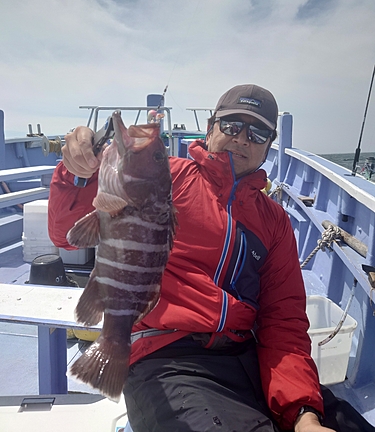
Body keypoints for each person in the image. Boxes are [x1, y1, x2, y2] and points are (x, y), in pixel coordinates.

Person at [48, 84, 375, 432]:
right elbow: (64, 229)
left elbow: (283, 324)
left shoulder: (275, 221)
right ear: (210, 128)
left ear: (269, 146)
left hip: (247, 357)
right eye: (232, 125)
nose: (242, 138)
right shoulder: (164, 177)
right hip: (167, 358)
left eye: (258, 132)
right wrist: (77, 172)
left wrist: (302, 414)